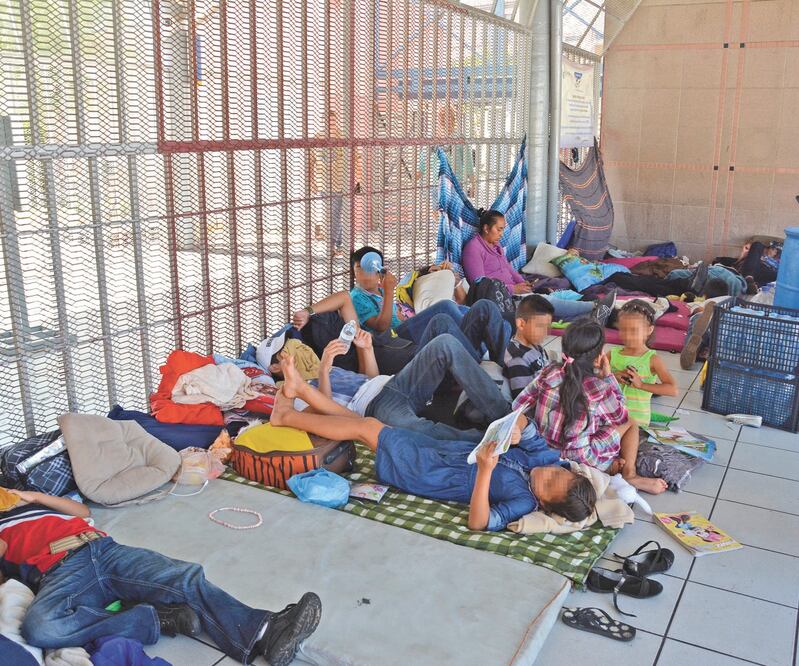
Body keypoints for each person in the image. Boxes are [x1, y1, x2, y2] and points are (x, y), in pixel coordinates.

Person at [0, 488, 321, 665]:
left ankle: (265, 631)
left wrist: (33, 496)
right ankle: (150, 619)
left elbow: (83, 512)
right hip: (61, 573)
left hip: (102, 549)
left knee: (183, 577)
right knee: (40, 627)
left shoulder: (34, 504)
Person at [271, 358, 598, 532]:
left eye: (551, 484)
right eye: (559, 473)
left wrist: (485, 472)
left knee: (368, 428)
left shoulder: (523, 502)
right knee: (367, 427)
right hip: (441, 451)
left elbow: (480, 522)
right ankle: (300, 391)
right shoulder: (547, 460)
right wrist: (517, 428)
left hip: (429, 473)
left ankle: (285, 417)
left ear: (545, 504)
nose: (550, 473)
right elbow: (526, 428)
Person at [282, 317, 512, 443]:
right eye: (292, 352)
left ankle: (506, 418)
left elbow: (370, 379)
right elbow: (327, 414)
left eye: (303, 348)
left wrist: (367, 349)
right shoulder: (298, 392)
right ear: (277, 367)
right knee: (420, 432)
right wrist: (322, 371)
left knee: (445, 342)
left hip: (395, 383)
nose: (302, 353)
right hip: (377, 409)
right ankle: (488, 441)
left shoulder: (333, 368)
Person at [513, 320, 668, 494]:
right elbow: (620, 416)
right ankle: (629, 474)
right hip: (582, 459)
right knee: (631, 421)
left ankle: (609, 466)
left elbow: (518, 404)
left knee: (588, 422)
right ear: (598, 357)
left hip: (543, 449)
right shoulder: (599, 387)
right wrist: (608, 377)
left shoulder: (549, 371)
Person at [294, 280, 510, 366]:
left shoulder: (356, 332)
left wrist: (308, 311)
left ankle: (499, 365)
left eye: (345, 327)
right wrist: (365, 349)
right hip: (419, 365)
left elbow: (342, 297)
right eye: (341, 331)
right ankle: (484, 367)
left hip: (416, 347)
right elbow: (371, 379)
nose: (349, 330)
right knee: (443, 319)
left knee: (484, 307)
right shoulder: (350, 359)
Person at [609, 300, 679, 426]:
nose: (628, 336)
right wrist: (613, 377)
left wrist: (641, 385)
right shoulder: (612, 354)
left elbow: (672, 389)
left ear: (649, 330)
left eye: (634, 331)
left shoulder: (652, 359)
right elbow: (594, 377)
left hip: (637, 423)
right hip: (611, 418)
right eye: (623, 330)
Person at [308, 110, 361, 255]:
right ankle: (339, 244)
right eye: (326, 121)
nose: (329, 125)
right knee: (331, 214)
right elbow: (310, 162)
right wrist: (311, 181)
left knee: (335, 214)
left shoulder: (344, 138)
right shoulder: (317, 139)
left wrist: (357, 180)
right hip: (323, 183)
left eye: (332, 121)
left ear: (335, 121)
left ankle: (331, 246)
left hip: (341, 183)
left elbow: (356, 159)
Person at [462, 210, 531, 295]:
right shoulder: (473, 249)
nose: (501, 234)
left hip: (512, 293)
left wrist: (523, 283)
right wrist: (513, 289)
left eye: (503, 230)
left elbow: (508, 268)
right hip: (496, 297)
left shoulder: (496, 245)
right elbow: (480, 286)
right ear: (486, 228)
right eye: (499, 230)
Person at [503, 295, 555, 400]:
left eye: (547, 327)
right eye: (540, 326)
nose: (545, 333)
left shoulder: (534, 344)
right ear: (521, 324)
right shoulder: (517, 359)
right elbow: (524, 401)